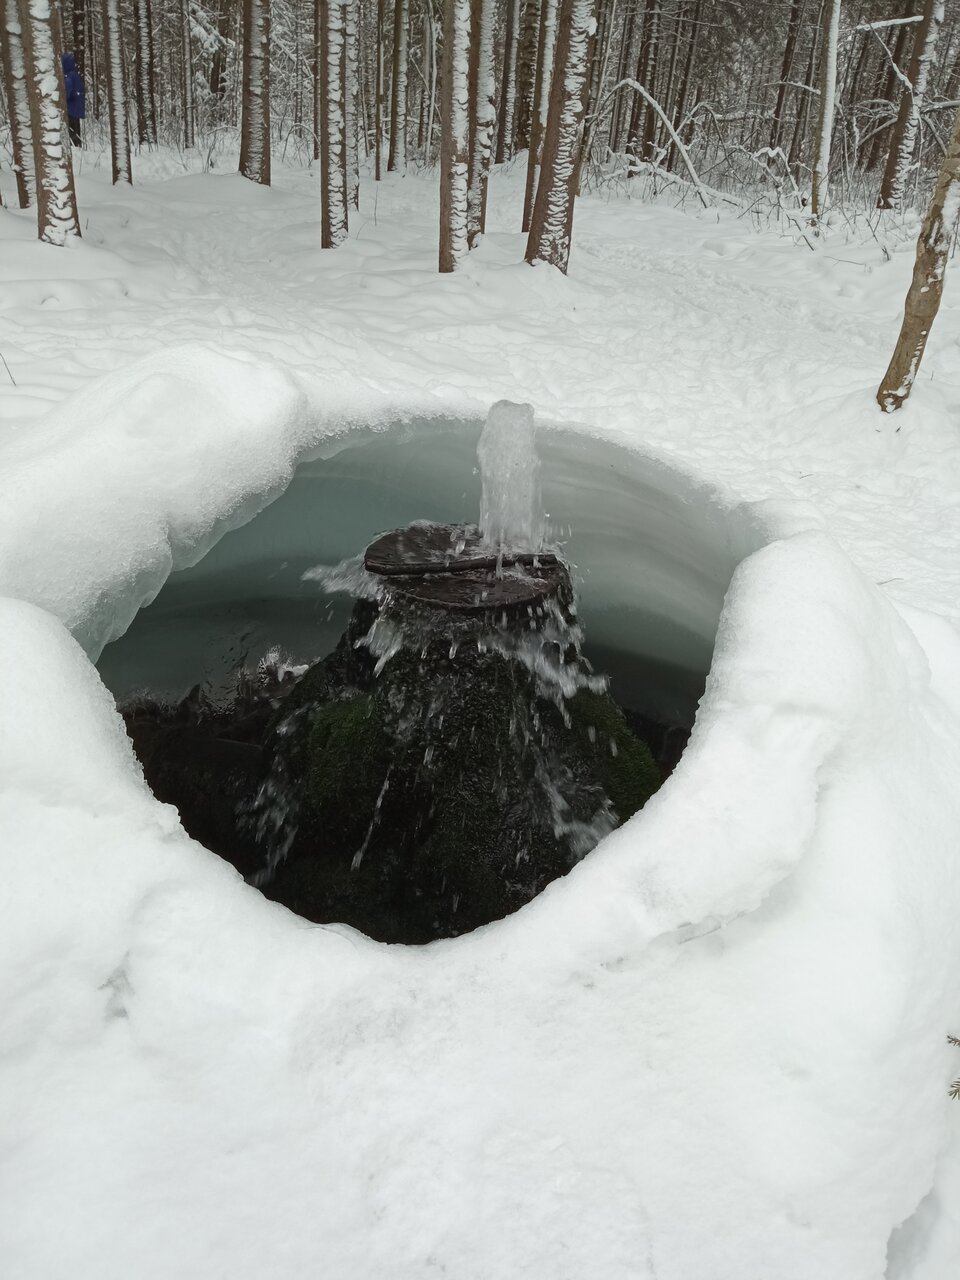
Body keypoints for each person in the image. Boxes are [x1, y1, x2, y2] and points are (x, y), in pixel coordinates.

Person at [61, 53, 85, 148]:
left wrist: (63, 100)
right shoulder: (75, 75)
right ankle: (78, 147)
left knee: (71, 132)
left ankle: (74, 149)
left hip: (70, 108)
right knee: (76, 130)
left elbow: (67, 93)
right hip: (77, 109)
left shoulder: (68, 77)